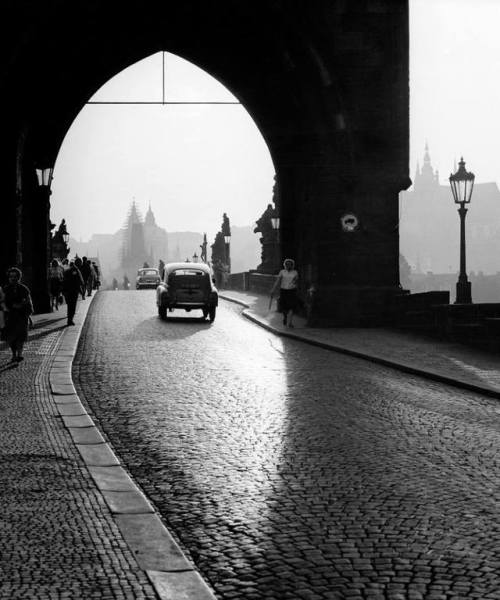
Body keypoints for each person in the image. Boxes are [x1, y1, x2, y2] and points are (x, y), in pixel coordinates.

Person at [2, 267, 34, 362]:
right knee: (11, 338)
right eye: (11, 276)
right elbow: (3, 302)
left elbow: (29, 303)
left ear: (18, 277)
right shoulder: (5, 289)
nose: (13, 278)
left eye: (15, 276)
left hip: (22, 316)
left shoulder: (24, 289)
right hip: (10, 317)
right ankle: (14, 354)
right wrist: (8, 307)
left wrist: (28, 315)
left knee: (21, 337)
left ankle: (19, 354)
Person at [270, 258, 299, 328]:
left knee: (292, 306)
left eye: (290, 264)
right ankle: (285, 317)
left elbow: (297, 282)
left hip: (292, 291)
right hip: (283, 290)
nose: (288, 266)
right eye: (287, 264)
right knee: (284, 307)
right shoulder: (282, 272)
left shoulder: (295, 272)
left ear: (292, 265)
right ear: (285, 265)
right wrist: (273, 289)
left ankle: (290, 322)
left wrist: (296, 287)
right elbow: (277, 281)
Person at [62, 261, 84, 326]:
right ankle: (70, 320)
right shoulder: (76, 271)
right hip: (74, 291)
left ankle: (69, 319)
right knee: (73, 306)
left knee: (69, 306)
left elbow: (64, 282)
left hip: (67, 291)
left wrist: (63, 291)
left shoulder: (66, 271)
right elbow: (79, 282)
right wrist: (81, 291)